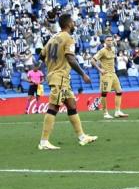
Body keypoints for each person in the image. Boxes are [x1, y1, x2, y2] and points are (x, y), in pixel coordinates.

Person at [37, 13, 97, 150]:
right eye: (73, 22)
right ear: (69, 24)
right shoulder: (68, 38)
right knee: (54, 106)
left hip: (57, 76)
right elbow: (70, 58)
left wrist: (39, 69)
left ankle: (82, 137)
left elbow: (41, 56)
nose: (74, 24)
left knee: (71, 104)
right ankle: (44, 141)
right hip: (60, 77)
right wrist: (83, 74)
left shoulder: (52, 39)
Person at [91, 36, 128, 119]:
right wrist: (100, 70)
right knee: (104, 93)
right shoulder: (102, 51)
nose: (110, 42)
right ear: (105, 41)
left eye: (111, 40)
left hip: (113, 73)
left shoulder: (114, 49)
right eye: (108, 40)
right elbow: (92, 60)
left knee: (119, 91)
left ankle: (117, 111)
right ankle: (105, 113)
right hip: (106, 74)